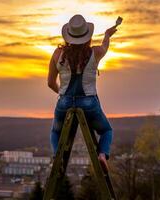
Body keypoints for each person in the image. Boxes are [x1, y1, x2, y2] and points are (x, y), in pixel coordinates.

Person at [47, 14, 117, 171]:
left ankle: (57, 159)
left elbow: (50, 83)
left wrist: (64, 95)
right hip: (89, 102)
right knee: (106, 130)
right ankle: (102, 155)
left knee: (56, 131)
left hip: (64, 102)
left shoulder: (57, 55)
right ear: (87, 36)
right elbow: (105, 46)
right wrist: (107, 35)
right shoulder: (95, 53)